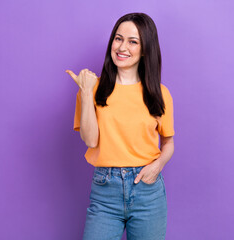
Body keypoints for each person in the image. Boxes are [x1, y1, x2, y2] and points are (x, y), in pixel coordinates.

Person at [66, 12, 174, 240]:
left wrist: (157, 166)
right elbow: (91, 140)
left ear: (145, 49)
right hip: (106, 189)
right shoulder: (93, 89)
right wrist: (86, 92)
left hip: (147, 190)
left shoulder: (159, 94)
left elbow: (168, 143)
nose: (122, 47)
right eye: (118, 38)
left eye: (133, 41)